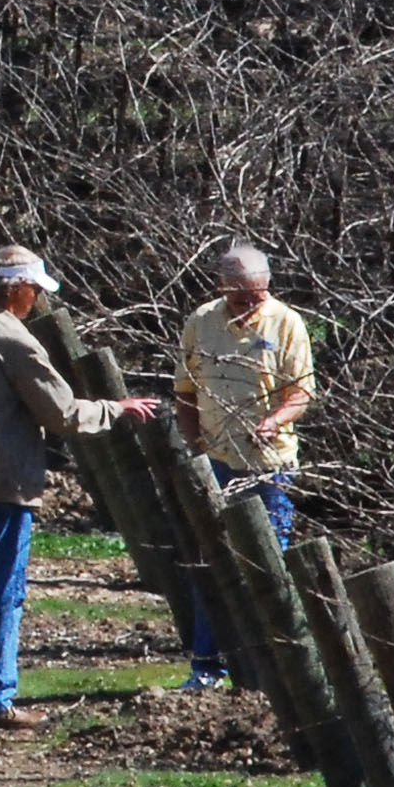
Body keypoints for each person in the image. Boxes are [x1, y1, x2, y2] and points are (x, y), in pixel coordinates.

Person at [0, 244, 163, 732]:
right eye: (34, 289)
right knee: (1, 594)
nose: (37, 299)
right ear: (17, 289)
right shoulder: (12, 337)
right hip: (2, 484)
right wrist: (117, 409)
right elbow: (63, 412)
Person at [174, 243, 316, 692]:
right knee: (213, 562)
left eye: (257, 296)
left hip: (270, 466)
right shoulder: (200, 322)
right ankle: (208, 666)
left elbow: (301, 391)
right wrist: (193, 444)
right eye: (240, 298)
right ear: (223, 288)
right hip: (217, 462)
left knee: (266, 565)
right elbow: (185, 390)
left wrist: (271, 422)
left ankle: (269, 668)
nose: (250, 305)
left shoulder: (287, 322)